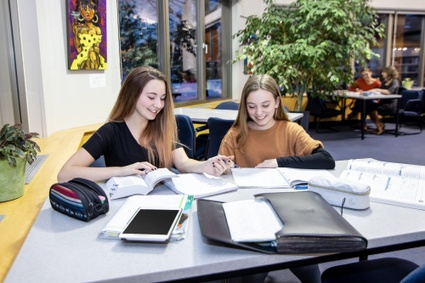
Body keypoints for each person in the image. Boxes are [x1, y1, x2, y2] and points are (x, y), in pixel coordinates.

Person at [218, 74, 335, 283]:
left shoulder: (290, 130)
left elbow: (326, 159)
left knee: (308, 267)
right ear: (245, 105)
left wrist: (279, 162)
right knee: (254, 273)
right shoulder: (236, 134)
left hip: (290, 212)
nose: (259, 113)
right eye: (252, 106)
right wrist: (219, 167)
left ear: (277, 102)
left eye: (265, 105)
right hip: (252, 214)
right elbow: (222, 175)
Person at [58, 66, 233, 183]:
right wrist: (121, 171)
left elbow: (183, 163)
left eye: (162, 98)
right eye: (151, 97)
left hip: (164, 203)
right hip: (124, 205)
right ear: (132, 95)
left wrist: (205, 166)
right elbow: (65, 174)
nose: (158, 105)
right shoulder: (111, 131)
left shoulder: (163, 126)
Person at [70, 0, 107, 70]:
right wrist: (75, 33)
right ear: (80, 11)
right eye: (84, 8)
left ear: (95, 10)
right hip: (82, 57)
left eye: (90, 7)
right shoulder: (79, 29)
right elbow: (78, 48)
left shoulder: (97, 29)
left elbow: (97, 47)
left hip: (95, 56)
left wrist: (93, 52)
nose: (87, 11)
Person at [366, 66, 400, 134]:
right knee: (368, 106)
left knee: (371, 108)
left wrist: (377, 89)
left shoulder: (394, 81)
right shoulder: (384, 82)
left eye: (384, 72)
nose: (382, 73)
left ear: (388, 73)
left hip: (390, 105)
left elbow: (389, 92)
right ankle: (380, 125)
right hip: (382, 102)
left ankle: (380, 126)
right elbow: (380, 91)